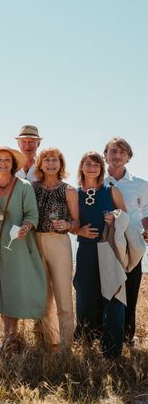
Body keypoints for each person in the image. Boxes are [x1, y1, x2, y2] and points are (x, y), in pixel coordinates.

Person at [0, 146, 46, 350]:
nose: (3, 163)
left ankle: (17, 336)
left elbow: (32, 215)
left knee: (17, 289)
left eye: (7, 160)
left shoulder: (24, 186)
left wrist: (26, 227)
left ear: (13, 164)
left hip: (18, 246)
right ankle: (9, 339)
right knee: (1, 290)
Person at [73, 152, 127, 357]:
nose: (92, 167)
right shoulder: (74, 193)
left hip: (109, 249)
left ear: (101, 168)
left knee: (113, 297)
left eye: (96, 164)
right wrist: (79, 231)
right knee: (85, 295)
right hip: (85, 248)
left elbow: (126, 216)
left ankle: (112, 350)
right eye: (88, 163)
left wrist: (115, 217)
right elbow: (71, 223)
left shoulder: (112, 191)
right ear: (82, 167)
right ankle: (86, 345)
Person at [32, 148, 79, 350]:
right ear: (40, 164)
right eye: (47, 160)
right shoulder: (31, 188)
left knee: (63, 295)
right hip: (35, 242)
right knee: (43, 296)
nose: (51, 164)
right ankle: (50, 343)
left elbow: (77, 221)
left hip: (59, 243)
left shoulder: (69, 190)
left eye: (55, 160)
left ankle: (66, 347)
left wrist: (68, 225)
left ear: (61, 164)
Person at [103, 137, 148, 347]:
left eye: (122, 152)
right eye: (113, 151)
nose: (117, 155)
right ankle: (105, 335)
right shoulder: (96, 181)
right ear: (105, 155)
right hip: (104, 242)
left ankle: (128, 336)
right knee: (106, 289)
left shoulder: (140, 184)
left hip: (132, 242)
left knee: (130, 287)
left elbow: (146, 212)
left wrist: (146, 230)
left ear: (128, 157)